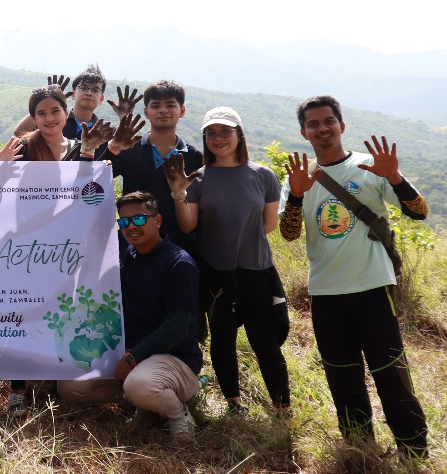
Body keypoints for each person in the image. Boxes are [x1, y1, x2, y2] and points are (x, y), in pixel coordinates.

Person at [280, 96, 429, 459]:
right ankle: (360, 449)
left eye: (328, 121)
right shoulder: (300, 177)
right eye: (313, 124)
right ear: (304, 132)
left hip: (373, 287)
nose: (322, 129)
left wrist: (394, 177)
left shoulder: (369, 167)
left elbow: (420, 212)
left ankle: (414, 450)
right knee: (342, 376)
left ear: (341, 125)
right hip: (326, 292)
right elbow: (289, 233)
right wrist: (296, 195)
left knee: (390, 372)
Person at [56, 192, 203, 438]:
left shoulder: (179, 264)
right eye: (124, 221)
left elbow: (176, 328)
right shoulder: (125, 250)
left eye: (140, 219)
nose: (131, 226)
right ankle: (145, 401)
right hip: (128, 354)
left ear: (158, 221)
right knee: (70, 386)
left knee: (140, 385)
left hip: (174, 358)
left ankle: (178, 414)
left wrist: (133, 358)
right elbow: (88, 232)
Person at [173, 107, 289, 416]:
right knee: (223, 338)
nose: (219, 138)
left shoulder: (263, 175)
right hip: (215, 270)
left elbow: (269, 224)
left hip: (256, 268)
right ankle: (233, 403)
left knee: (265, 339)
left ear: (240, 135)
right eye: (211, 133)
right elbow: (188, 225)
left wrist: (240, 238)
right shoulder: (198, 178)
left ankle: (282, 406)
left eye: (226, 131)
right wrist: (178, 194)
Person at [4, 86, 111, 413]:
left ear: (67, 113)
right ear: (33, 118)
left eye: (55, 111)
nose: (49, 118)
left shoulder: (83, 148)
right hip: (28, 248)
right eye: (41, 113)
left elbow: (90, 194)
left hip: (69, 250)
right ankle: (17, 390)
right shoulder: (23, 148)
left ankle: (54, 383)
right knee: (23, 315)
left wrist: (95, 162)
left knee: (61, 313)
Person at [99, 80, 200, 251]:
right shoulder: (129, 149)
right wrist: (112, 148)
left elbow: (194, 214)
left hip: (177, 248)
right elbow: (95, 179)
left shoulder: (194, 157)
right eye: (155, 106)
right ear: (146, 112)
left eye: (170, 105)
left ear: (182, 111)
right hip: (133, 247)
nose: (163, 110)